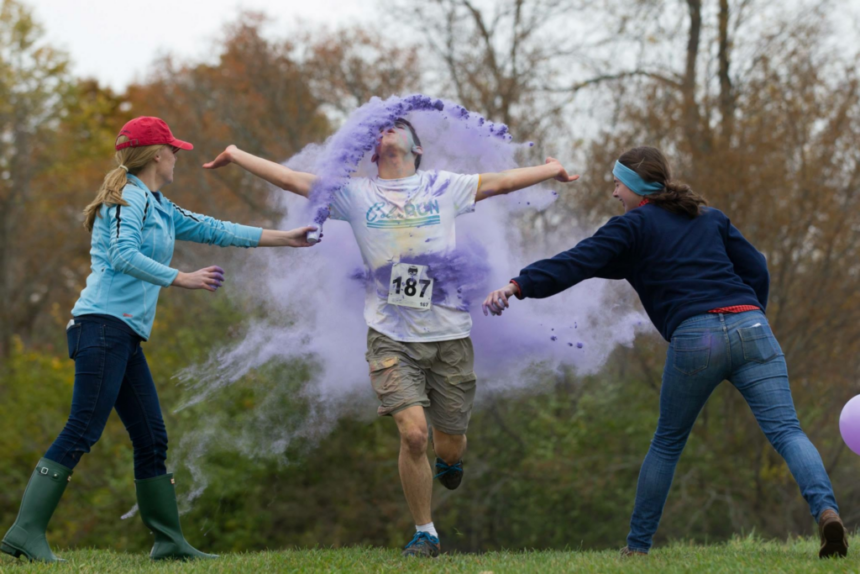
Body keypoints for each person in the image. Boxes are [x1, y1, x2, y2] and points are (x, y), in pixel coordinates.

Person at [203, 118, 579, 557]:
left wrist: (550, 170)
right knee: (414, 435)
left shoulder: (443, 186)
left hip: (450, 337)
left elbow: (500, 182)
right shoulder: (355, 194)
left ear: (417, 148)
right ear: (372, 150)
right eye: (381, 128)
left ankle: (450, 461)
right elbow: (292, 180)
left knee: (448, 444)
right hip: (389, 337)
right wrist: (237, 154)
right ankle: (425, 533)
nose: (388, 130)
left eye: (398, 126)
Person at [482, 146, 848, 559]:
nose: (614, 193)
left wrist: (518, 285)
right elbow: (757, 267)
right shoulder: (709, 217)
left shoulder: (632, 226)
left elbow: (576, 261)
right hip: (753, 328)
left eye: (617, 184)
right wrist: (753, 316)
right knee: (787, 432)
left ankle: (638, 548)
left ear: (637, 188)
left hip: (697, 337)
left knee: (668, 443)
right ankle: (827, 511)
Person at [0, 117, 317, 563]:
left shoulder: (160, 206)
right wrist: (181, 277)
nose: (177, 157)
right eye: (173, 150)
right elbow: (121, 254)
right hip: (101, 326)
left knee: (152, 437)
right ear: (155, 155)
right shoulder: (127, 198)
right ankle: (25, 532)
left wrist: (286, 239)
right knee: (83, 428)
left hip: (123, 333)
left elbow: (217, 229)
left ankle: (168, 542)